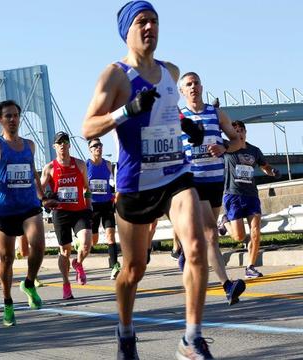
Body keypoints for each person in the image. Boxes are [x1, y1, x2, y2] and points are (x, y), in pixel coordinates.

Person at [81, 2, 213, 358]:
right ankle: (125, 332)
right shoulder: (115, 75)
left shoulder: (172, 70)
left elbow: (169, 114)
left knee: (196, 247)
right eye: (141, 21)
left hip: (175, 173)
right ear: (127, 30)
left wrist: (187, 126)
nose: (149, 27)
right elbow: (87, 127)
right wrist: (127, 110)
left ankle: (191, 337)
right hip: (136, 182)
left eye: (154, 21)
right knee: (134, 268)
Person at [0, 100, 56, 326]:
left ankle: (29, 283)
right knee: (7, 259)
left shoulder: (30, 145)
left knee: (38, 246)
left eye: (16, 115)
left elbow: (32, 174)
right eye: (8, 116)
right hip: (6, 209)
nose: (12, 119)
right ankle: (8, 302)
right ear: (0, 120)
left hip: (29, 205)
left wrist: (43, 198)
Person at [178, 71, 246, 304]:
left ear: (202, 86)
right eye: (188, 84)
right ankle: (227, 285)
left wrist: (224, 147)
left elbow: (238, 142)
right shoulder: (178, 118)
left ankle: (185, 255)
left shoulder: (216, 114)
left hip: (215, 180)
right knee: (210, 233)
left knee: (209, 237)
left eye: (196, 83)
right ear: (182, 91)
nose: (193, 87)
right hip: (191, 182)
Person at [221, 120, 280, 279]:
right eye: (235, 130)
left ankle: (250, 267)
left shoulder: (255, 150)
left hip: (251, 195)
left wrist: (272, 171)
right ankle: (224, 221)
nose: (239, 133)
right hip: (233, 195)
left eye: (241, 130)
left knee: (255, 232)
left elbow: (265, 167)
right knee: (239, 237)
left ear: (245, 132)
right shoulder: (227, 148)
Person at [40, 131, 92, 299]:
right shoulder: (49, 168)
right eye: (59, 142)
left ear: (69, 144)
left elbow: (87, 189)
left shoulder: (80, 165)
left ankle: (78, 263)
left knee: (86, 243)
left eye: (65, 142)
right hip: (61, 212)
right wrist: (45, 200)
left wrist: (89, 206)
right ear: (54, 146)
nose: (62, 145)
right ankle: (66, 283)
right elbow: (39, 190)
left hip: (79, 211)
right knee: (65, 250)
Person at [86, 137, 121, 280]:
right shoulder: (86, 165)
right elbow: (83, 185)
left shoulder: (108, 164)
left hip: (107, 204)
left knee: (110, 235)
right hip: (93, 206)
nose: (98, 148)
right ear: (90, 150)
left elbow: (114, 183)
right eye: (95, 146)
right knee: (93, 241)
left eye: (99, 145)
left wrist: (116, 196)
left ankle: (114, 266)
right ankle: (80, 242)